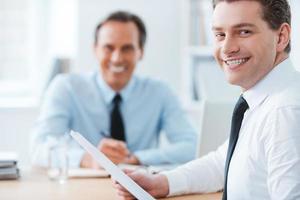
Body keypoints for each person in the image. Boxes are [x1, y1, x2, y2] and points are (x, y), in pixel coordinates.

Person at [114, 0, 300, 199]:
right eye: (220, 35)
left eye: (244, 32)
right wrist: (163, 182)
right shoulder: (265, 99)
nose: (227, 48)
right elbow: (223, 162)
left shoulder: (285, 111)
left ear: (281, 37)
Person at [30, 11, 197, 168]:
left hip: (140, 187)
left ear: (141, 52)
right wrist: (89, 158)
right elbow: (38, 148)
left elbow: (192, 145)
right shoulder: (66, 87)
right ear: (95, 49)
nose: (117, 59)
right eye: (108, 48)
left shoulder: (160, 92)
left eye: (127, 48)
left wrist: (136, 158)